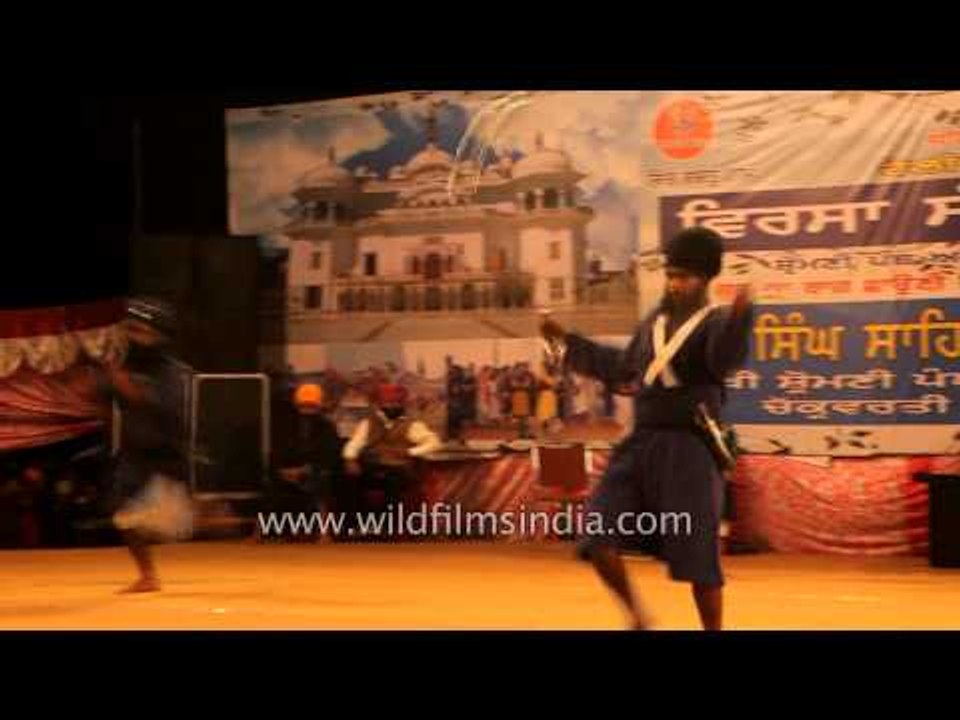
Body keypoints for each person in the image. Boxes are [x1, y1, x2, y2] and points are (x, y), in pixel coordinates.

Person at [541, 227, 753, 630]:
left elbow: (723, 360)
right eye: (671, 275)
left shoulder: (716, 322)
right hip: (641, 445)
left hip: (690, 450)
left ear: (706, 279)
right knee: (598, 536)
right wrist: (566, 343)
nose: (675, 284)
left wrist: (741, 320)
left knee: (699, 563)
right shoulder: (653, 323)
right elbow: (622, 370)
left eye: (684, 277)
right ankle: (637, 619)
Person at [97, 297, 189, 593]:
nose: (132, 337)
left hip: (164, 455)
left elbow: (160, 407)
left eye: (139, 331)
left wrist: (125, 385)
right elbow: (108, 398)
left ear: (158, 335)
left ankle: (196, 517)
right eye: (130, 330)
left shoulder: (171, 372)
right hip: (134, 452)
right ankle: (148, 575)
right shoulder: (127, 366)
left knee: (169, 524)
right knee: (122, 514)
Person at [342, 383, 442, 535]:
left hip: (399, 469)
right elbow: (354, 443)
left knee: (392, 480)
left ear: (402, 404)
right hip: (373, 466)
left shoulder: (412, 424)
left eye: (396, 403)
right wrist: (350, 460)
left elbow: (434, 443)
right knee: (348, 479)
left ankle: (387, 527)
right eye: (388, 403)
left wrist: (410, 452)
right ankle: (354, 526)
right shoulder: (368, 423)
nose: (392, 406)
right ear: (380, 404)